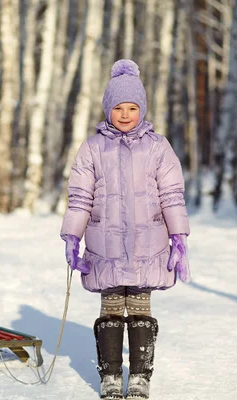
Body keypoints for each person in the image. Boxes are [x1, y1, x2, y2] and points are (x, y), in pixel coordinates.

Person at [60, 59, 191, 400]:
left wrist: (179, 236)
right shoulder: (92, 148)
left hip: (150, 245)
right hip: (106, 246)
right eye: (118, 107)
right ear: (108, 109)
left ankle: (141, 376)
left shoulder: (158, 147)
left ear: (142, 109)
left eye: (132, 107)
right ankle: (111, 375)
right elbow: (79, 197)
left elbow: (172, 194)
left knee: (141, 308)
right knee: (111, 309)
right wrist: (72, 235)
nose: (125, 114)